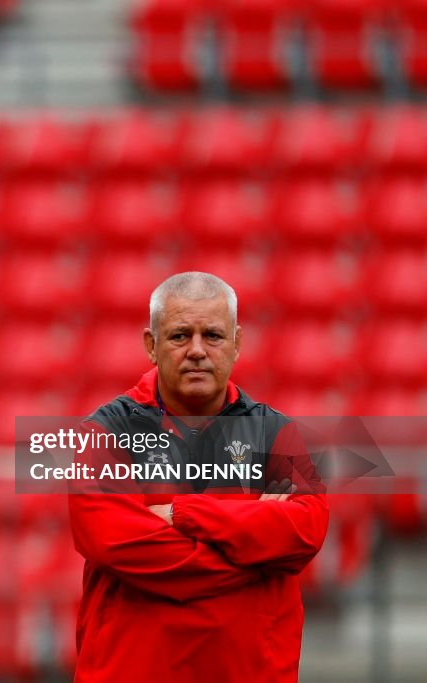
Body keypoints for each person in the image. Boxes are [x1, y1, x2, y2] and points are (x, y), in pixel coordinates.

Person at [68, 272, 328, 683]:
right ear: (151, 346)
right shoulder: (103, 434)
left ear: (237, 343)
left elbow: (305, 532)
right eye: (179, 336)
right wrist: (255, 548)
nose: (196, 350)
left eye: (213, 335)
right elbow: (113, 542)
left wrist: (181, 513)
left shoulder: (277, 433)